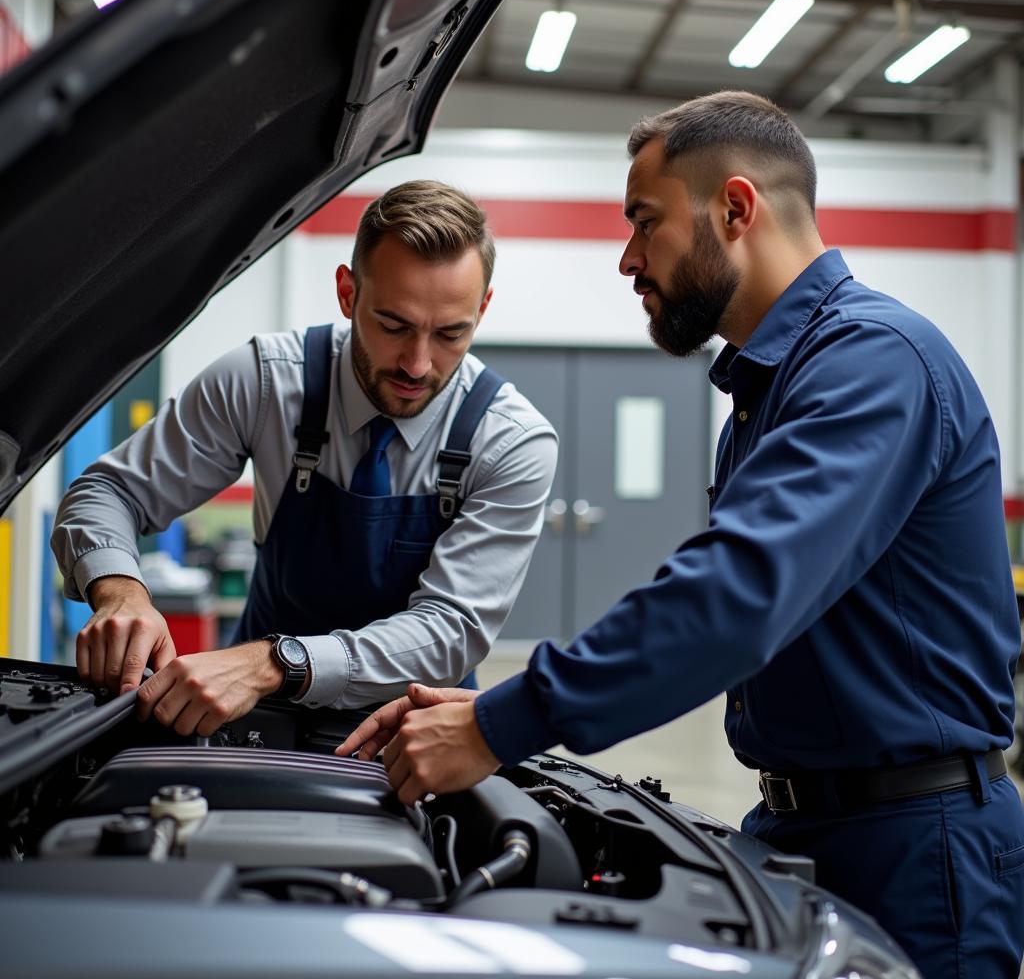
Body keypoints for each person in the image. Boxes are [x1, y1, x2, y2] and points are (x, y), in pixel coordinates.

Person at [337, 94, 1024, 978]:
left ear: (735, 209)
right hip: (806, 823)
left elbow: (732, 599)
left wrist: (500, 722)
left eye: (644, 222)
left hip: (916, 853)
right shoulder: (767, 390)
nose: (627, 258)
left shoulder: (872, 363)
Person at [52, 180, 557, 737]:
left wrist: (274, 662)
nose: (417, 363)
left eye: (450, 333)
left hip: (412, 728)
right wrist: (121, 589)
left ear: (482, 310)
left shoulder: (511, 441)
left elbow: (451, 629)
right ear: (347, 292)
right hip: (251, 712)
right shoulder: (266, 382)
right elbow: (108, 492)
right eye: (393, 326)